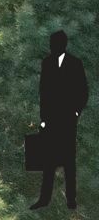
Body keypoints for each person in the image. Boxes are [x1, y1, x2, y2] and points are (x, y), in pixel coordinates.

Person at [39, 29, 89, 210]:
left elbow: (83, 91)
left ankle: (71, 199)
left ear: (63, 44)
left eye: (55, 43)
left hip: (68, 120)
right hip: (51, 120)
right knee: (49, 160)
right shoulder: (47, 63)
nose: (52, 47)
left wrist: (76, 112)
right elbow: (43, 93)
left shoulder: (75, 64)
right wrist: (43, 118)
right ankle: (44, 199)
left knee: (69, 160)